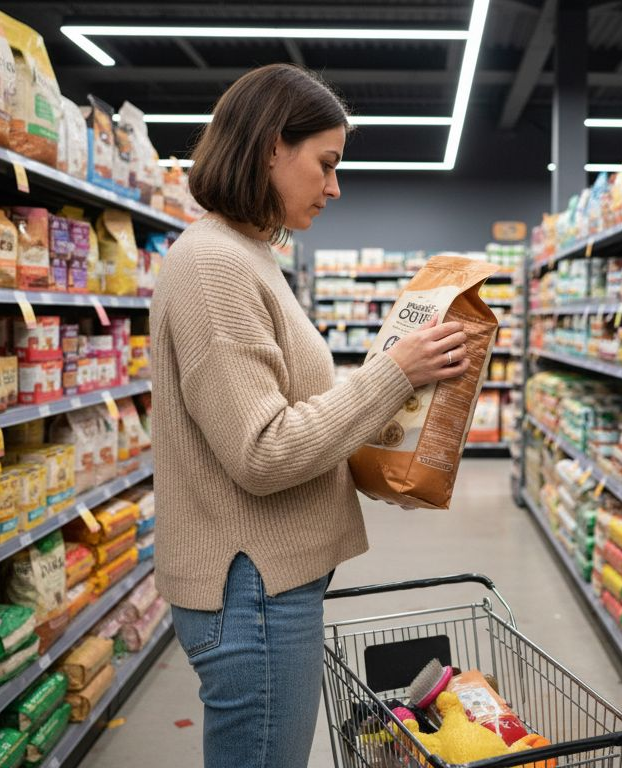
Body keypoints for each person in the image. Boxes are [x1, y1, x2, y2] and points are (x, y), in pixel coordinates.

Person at [149, 64, 469, 767]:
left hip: (264, 584)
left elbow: (288, 405)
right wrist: (393, 374)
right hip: (250, 591)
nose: (335, 187)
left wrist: (392, 439)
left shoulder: (250, 256)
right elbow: (262, 452)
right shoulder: (213, 265)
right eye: (325, 163)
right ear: (270, 147)